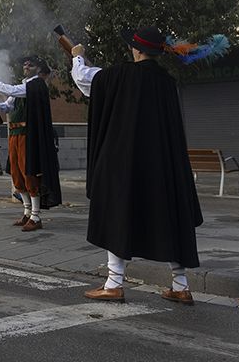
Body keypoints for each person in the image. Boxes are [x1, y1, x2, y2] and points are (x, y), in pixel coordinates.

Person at [71, 28, 203, 305]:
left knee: (117, 214)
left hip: (125, 160)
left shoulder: (120, 74)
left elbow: (84, 80)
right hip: (163, 164)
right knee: (171, 218)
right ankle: (180, 285)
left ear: (138, 50)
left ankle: (114, 283)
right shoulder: (167, 81)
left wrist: (77, 57)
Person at [0, 55, 62, 231]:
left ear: (38, 69)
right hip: (15, 134)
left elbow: (13, 91)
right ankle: (26, 212)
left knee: (29, 173)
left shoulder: (35, 85)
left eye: (30, 64)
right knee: (17, 175)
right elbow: (7, 106)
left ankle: (36, 216)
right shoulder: (24, 86)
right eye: (24, 63)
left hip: (27, 135)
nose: (26, 65)